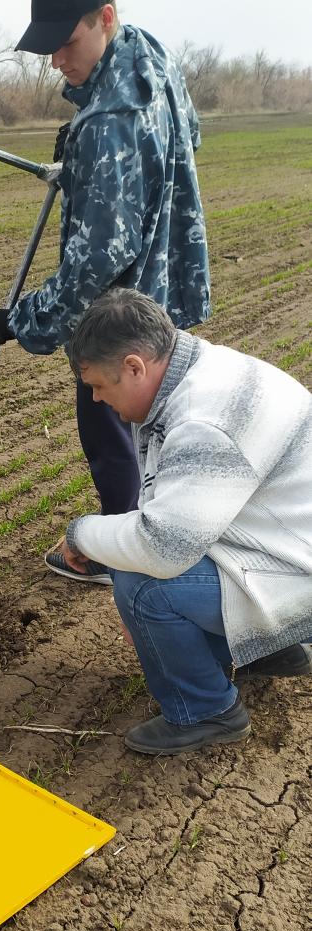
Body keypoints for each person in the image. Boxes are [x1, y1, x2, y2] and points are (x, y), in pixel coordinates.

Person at [0, 0, 210, 584]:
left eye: (68, 42)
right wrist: (84, 159)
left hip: (120, 319)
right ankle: (153, 538)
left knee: (111, 430)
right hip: (165, 290)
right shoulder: (149, 57)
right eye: (49, 47)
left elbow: (98, 260)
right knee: (154, 433)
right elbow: (191, 135)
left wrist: (24, 319)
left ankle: (123, 556)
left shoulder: (109, 122)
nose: (58, 59)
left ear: (104, 17)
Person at [56, 289, 312, 755]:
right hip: (287, 546)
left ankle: (207, 710)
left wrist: (82, 534)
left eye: (98, 385)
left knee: (143, 580)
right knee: (165, 550)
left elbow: (163, 546)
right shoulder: (201, 368)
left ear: (135, 366)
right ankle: (270, 647)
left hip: (297, 575)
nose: (94, 398)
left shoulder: (202, 422)